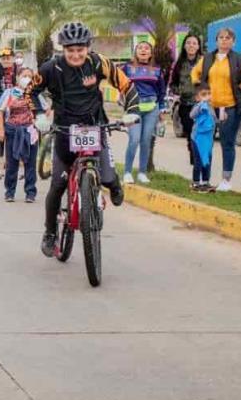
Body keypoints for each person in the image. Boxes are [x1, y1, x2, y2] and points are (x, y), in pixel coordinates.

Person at [34, 22, 137, 258]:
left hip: (95, 126)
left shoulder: (99, 62)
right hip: (64, 130)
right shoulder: (50, 68)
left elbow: (127, 86)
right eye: (70, 50)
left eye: (80, 49)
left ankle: (112, 184)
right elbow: (30, 92)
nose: (75, 54)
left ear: (88, 47)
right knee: (57, 186)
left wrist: (132, 112)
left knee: (109, 178)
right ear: (63, 49)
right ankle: (50, 233)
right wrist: (38, 115)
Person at [191, 27, 241, 192]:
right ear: (216, 41)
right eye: (221, 37)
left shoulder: (239, 59)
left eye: (228, 38)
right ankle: (204, 178)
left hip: (229, 107)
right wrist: (196, 83)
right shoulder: (207, 58)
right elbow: (195, 71)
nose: (224, 40)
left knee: (227, 143)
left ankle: (226, 179)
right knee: (205, 142)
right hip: (209, 107)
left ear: (233, 41)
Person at [120, 40, 166, 185]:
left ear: (151, 53)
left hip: (152, 108)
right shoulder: (126, 68)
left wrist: (162, 108)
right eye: (140, 48)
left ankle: (142, 172)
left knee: (146, 141)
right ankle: (127, 172)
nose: (143, 50)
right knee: (134, 140)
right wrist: (120, 97)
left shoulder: (157, 70)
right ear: (135, 51)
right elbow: (117, 82)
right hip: (133, 107)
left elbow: (161, 91)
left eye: (147, 48)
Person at [0, 66, 42, 202]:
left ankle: (30, 193)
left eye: (29, 76)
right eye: (24, 76)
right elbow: (0, 111)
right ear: (18, 78)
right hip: (12, 130)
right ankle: (10, 192)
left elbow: (44, 111)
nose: (26, 79)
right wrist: (1, 130)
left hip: (30, 131)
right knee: (12, 163)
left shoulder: (35, 94)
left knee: (30, 163)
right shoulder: (10, 93)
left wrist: (40, 122)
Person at [169, 34, 204, 174]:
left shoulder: (204, 62)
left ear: (198, 46)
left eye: (194, 43)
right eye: (188, 43)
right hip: (185, 106)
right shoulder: (179, 63)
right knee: (191, 136)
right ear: (184, 46)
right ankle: (196, 165)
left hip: (202, 105)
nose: (191, 46)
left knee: (202, 136)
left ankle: (201, 165)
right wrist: (180, 91)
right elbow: (172, 84)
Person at [0, 47, 21, 157]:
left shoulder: (17, 68)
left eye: (8, 58)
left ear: (12, 58)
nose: (6, 61)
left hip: (13, 96)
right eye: (3, 58)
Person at [189, 84, 216, 191]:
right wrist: (201, 105)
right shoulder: (198, 106)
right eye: (204, 94)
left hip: (208, 139)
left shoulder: (211, 107)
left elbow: (213, 120)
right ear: (197, 97)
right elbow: (192, 115)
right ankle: (196, 182)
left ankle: (205, 181)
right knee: (198, 160)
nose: (207, 97)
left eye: (209, 94)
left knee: (207, 160)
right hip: (197, 138)